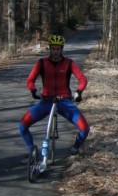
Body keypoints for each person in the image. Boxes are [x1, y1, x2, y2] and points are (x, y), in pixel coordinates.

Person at [18, 34, 90, 165]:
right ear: (50, 49)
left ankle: (75, 148)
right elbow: (30, 80)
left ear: (61, 49)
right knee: (22, 125)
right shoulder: (41, 63)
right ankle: (31, 151)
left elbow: (83, 79)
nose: (56, 51)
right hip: (46, 101)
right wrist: (33, 91)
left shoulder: (69, 63)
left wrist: (79, 92)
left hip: (64, 102)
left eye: (58, 49)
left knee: (84, 128)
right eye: (53, 48)